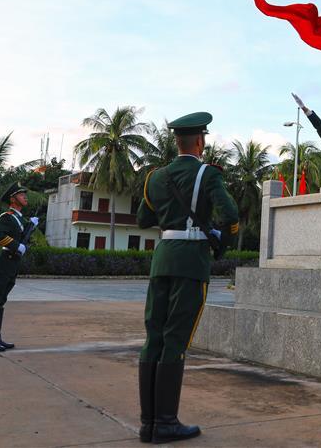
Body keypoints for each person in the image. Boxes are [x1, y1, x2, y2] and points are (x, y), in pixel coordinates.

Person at [136, 111, 239, 444]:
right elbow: (230, 215)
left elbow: (142, 220)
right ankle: (166, 423)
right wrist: (221, 238)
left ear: (177, 141)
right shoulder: (207, 174)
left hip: (162, 259)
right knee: (175, 340)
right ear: (199, 142)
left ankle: (149, 424)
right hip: (191, 262)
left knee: (154, 337)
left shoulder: (155, 177)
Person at [0, 182, 38, 352]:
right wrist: (15, 245)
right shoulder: (7, 216)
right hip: (2, 263)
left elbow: (21, 235)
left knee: (0, 302)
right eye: (21, 194)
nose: (25, 197)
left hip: (11, 264)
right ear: (12, 199)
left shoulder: (19, 218)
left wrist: (30, 226)